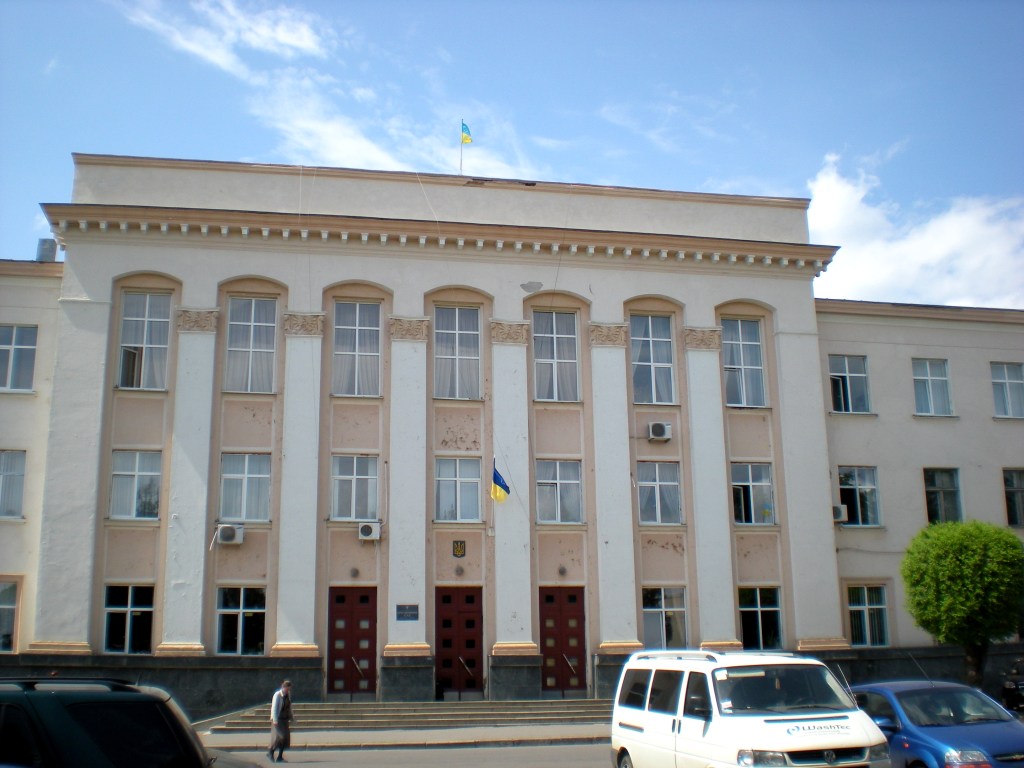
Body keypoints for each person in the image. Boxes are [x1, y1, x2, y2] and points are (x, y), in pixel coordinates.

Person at [267, 680, 294, 762]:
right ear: (283, 687)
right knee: (279, 737)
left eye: (289, 689)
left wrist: (292, 717)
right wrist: (274, 720)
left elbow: (289, 707)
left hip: (285, 719)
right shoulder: (277, 695)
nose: (288, 690)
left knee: (285, 738)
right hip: (278, 719)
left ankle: (280, 757)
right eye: (287, 688)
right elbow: (274, 708)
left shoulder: (288, 695)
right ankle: (270, 752)